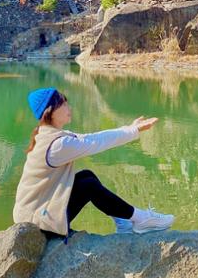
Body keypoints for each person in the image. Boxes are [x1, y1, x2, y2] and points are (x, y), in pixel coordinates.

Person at [13, 87, 175, 239]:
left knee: (85, 176)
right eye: (63, 103)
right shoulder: (58, 145)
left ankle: (123, 221)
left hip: (34, 214)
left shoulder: (48, 135)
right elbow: (96, 141)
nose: (69, 107)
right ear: (50, 112)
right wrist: (134, 130)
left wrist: (130, 128)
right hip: (39, 224)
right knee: (88, 186)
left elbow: (89, 138)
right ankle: (141, 219)